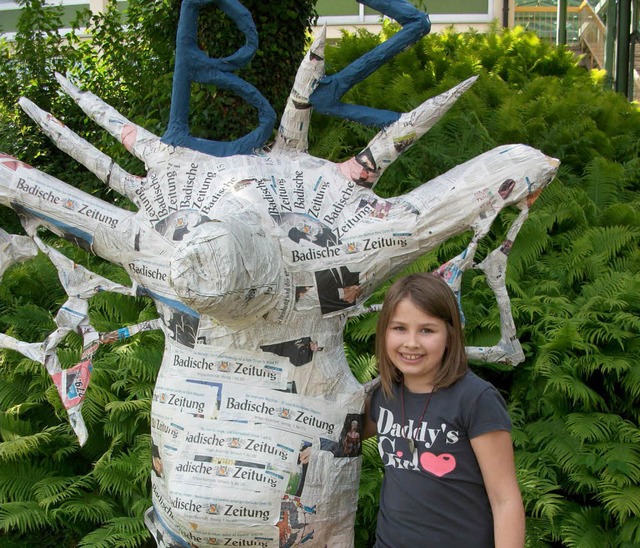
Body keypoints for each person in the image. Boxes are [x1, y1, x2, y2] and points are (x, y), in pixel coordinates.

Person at [364, 273, 525, 548]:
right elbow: (337, 435)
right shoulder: (383, 394)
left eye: (427, 330)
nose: (411, 342)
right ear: (383, 332)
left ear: (450, 335)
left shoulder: (475, 399)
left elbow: (505, 499)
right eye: (399, 328)